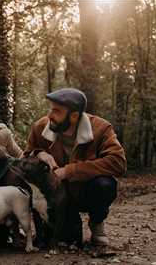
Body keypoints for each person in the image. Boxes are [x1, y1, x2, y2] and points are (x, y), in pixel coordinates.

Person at [25, 87, 126, 246]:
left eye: (57, 111)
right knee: (66, 239)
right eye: (51, 109)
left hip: (84, 191)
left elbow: (118, 162)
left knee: (105, 185)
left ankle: (97, 223)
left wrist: (68, 171)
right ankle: (62, 223)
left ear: (74, 116)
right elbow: (25, 157)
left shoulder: (101, 128)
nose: (50, 115)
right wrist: (38, 154)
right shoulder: (40, 127)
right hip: (55, 195)